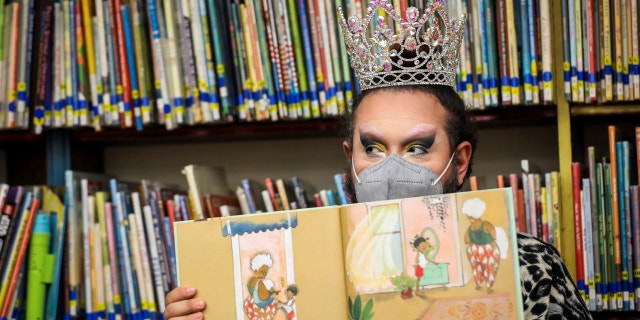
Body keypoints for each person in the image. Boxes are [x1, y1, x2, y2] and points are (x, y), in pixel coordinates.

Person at [165, 0, 592, 319]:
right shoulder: (301, 263)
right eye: (372, 147)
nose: (391, 168)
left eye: (418, 148)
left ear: (460, 162)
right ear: (349, 158)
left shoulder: (527, 265)